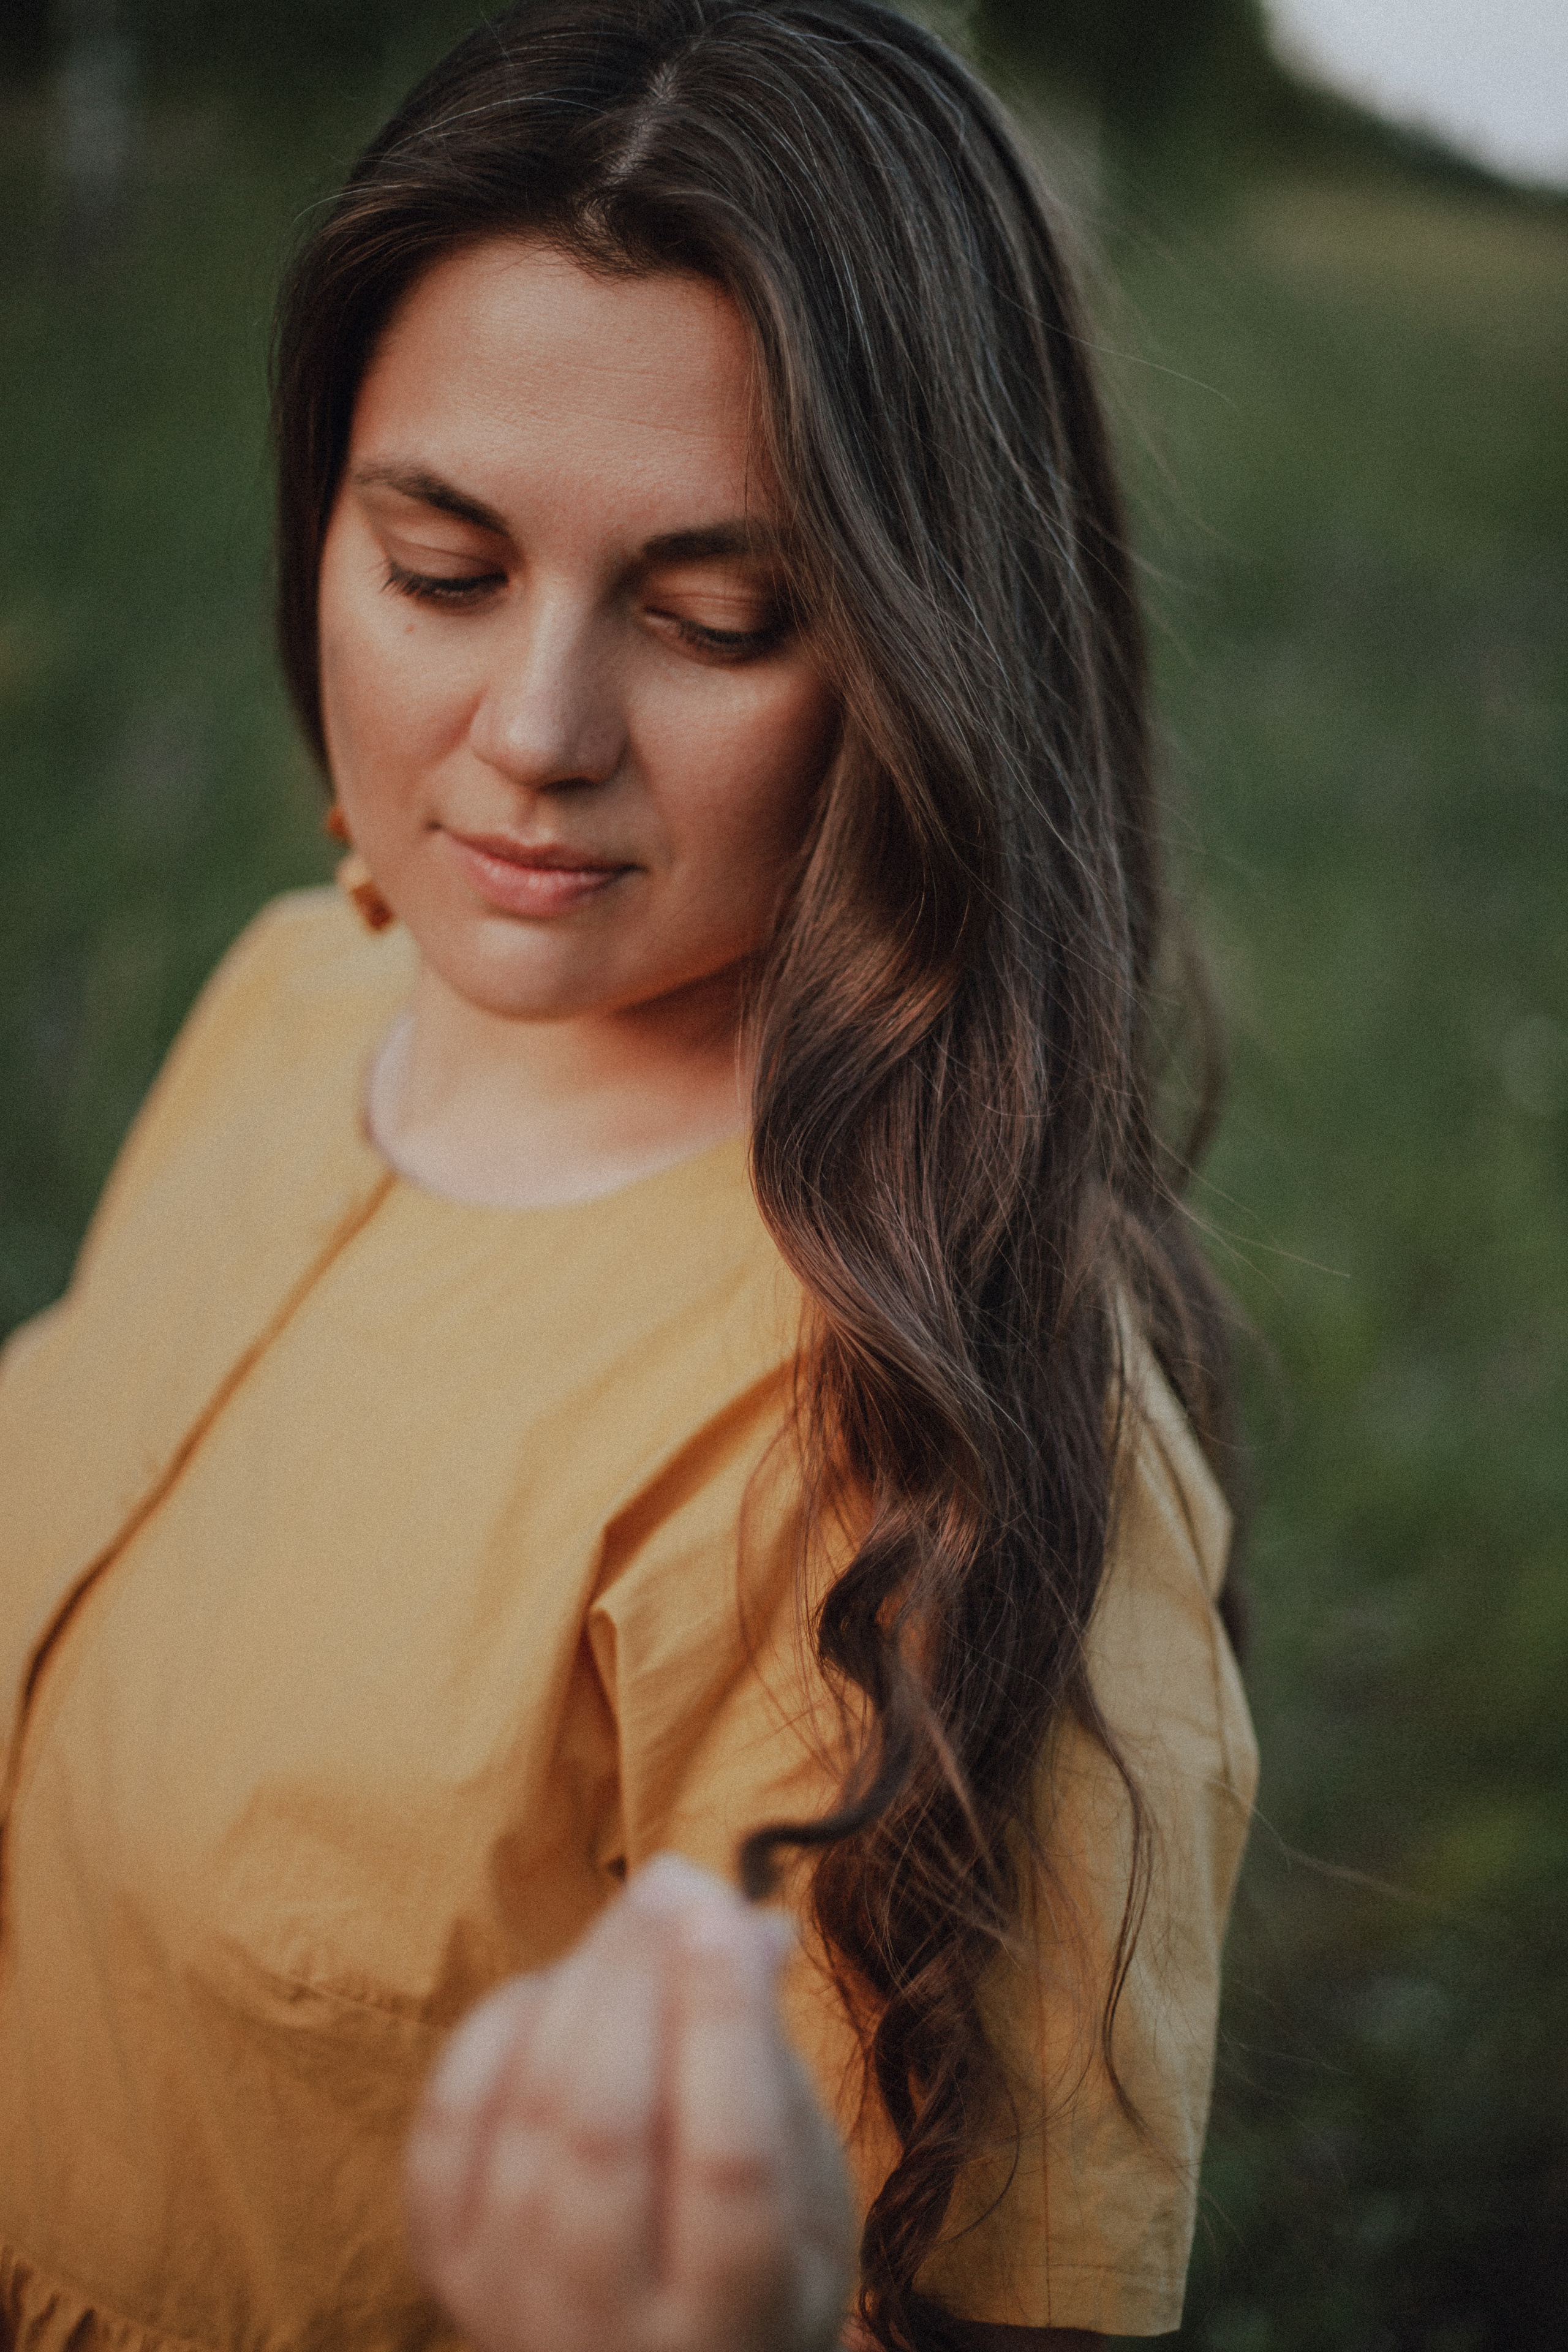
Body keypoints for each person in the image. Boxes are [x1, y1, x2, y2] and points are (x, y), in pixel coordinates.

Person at [0, 3, 1257, 2349]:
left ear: (921, 659)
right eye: (441, 568)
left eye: (712, 621)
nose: (537, 735)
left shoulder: (931, 1431)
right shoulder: (299, 992)